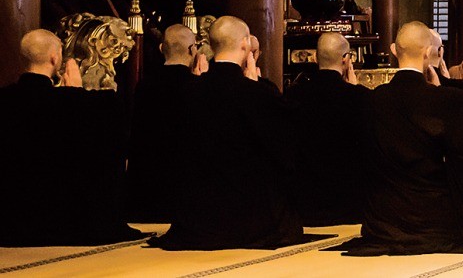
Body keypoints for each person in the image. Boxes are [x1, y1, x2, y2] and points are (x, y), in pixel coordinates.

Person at [345, 22, 463, 255]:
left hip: (384, 218)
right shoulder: (440, 99)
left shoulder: (372, 100)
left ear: (394, 50)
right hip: (431, 216)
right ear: (428, 53)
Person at [155, 16, 304, 250]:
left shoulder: (187, 92)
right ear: (245, 44)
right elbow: (283, 150)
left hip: (197, 214)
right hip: (248, 214)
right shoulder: (255, 93)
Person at [0, 29, 141, 246]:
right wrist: (76, 92)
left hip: (11, 214)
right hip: (58, 213)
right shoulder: (70, 102)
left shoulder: (6, 100)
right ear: (55, 58)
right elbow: (108, 119)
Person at [286, 32, 370, 225]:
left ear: (315, 57)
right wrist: (356, 89)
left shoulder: (294, 94)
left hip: (305, 202)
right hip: (349, 204)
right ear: (346, 59)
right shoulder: (358, 97)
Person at [127, 24, 205, 223]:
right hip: (183, 191)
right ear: (192, 49)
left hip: (145, 189)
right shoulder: (196, 87)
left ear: (162, 49)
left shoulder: (144, 86)